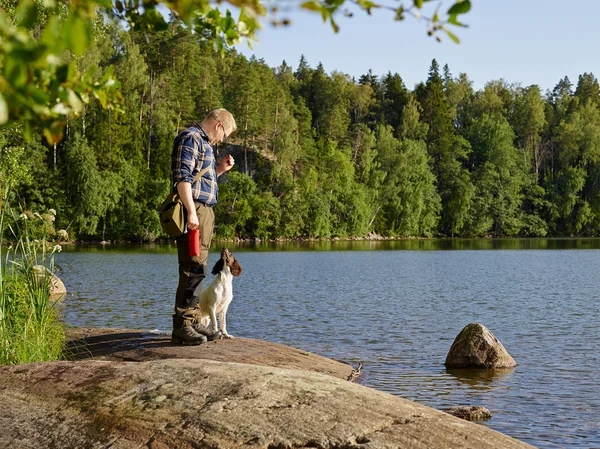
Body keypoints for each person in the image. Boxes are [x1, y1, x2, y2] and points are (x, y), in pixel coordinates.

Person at [170, 108, 236, 345]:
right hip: (195, 210)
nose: (223, 139)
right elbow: (183, 177)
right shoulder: (191, 138)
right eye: (225, 134)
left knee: (199, 267)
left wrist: (219, 170)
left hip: (203, 211)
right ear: (218, 125)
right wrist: (190, 211)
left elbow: (200, 179)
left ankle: (195, 320)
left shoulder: (205, 145)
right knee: (191, 266)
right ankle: (183, 326)